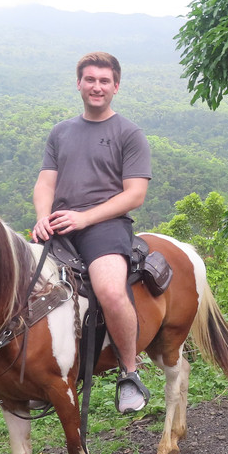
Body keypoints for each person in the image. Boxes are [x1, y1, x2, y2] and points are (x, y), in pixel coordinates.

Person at [31, 52, 153, 413]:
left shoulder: (128, 133)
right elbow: (44, 182)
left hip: (105, 226)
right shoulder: (61, 132)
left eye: (104, 81)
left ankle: (129, 372)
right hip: (58, 224)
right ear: (79, 83)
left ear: (115, 86)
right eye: (90, 80)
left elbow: (135, 194)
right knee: (19, 281)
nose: (96, 86)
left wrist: (85, 219)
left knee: (111, 291)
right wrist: (42, 216)